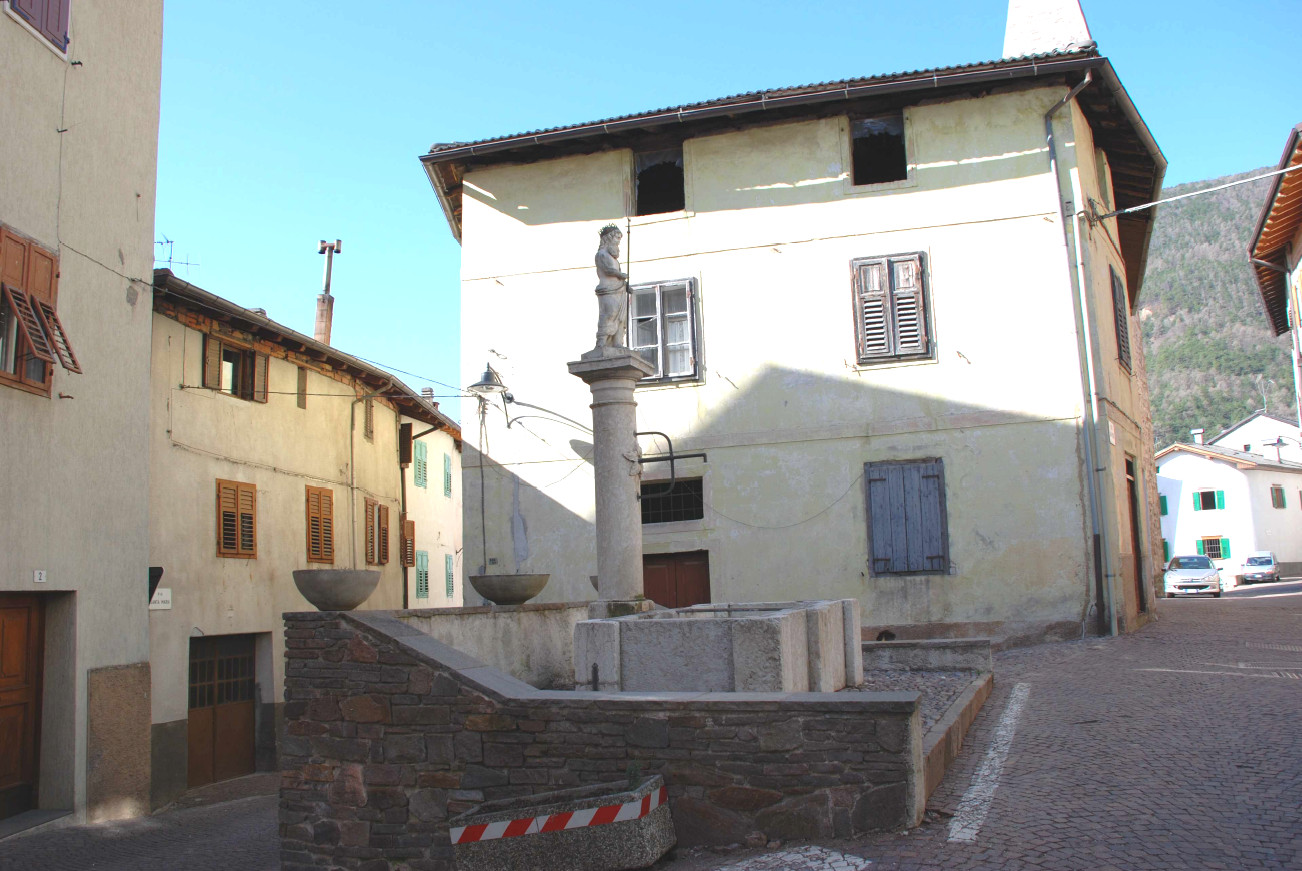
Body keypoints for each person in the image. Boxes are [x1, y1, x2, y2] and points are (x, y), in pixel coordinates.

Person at [593, 224, 628, 348]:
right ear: (608, 238)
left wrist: (625, 284)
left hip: (619, 290)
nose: (618, 242)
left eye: (619, 239)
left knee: (621, 318)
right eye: (617, 238)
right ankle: (601, 342)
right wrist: (620, 274)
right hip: (607, 290)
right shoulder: (601, 254)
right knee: (609, 313)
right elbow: (607, 270)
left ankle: (617, 342)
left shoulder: (615, 260)